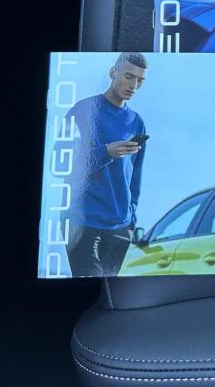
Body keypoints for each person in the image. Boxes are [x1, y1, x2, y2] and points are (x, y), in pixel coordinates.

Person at [64, 52, 148, 277]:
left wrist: (131, 216)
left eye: (140, 80)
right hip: (83, 223)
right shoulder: (83, 111)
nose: (134, 85)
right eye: (129, 76)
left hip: (121, 228)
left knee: (110, 290)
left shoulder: (137, 122)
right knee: (89, 289)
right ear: (113, 72)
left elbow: (135, 175)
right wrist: (106, 152)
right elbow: (63, 166)